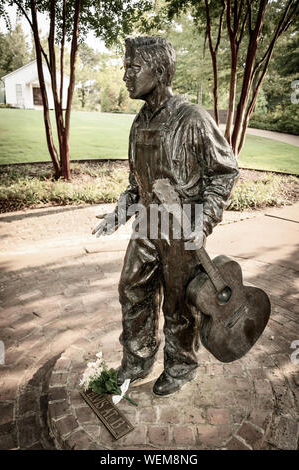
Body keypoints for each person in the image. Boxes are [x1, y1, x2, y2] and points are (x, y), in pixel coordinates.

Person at [93, 36, 239, 396]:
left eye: (132, 67)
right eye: (126, 66)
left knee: (178, 302)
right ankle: (138, 358)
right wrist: (118, 214)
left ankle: (181, 365)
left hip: (182, 227)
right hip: (148, 223)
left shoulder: (193, 119)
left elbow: (224, 172)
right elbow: (137, 183)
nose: (126, 75)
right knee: (132, 288)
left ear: (158, 71)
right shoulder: (139, 123)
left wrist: (203, 221)